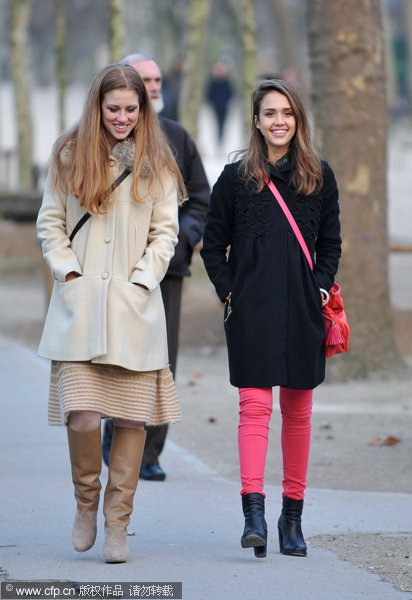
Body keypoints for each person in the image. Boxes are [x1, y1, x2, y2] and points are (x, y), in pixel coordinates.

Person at [36, 64, 184, 563]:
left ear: (142, 110)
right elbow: (50, 222)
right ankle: (86, 501)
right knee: (81, 415)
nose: (122, 117)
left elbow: (167, 233)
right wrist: (69, 274)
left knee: (131, 420)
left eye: (130, 109)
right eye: (113, 108)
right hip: (80, 308)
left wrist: (144, 279)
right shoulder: (69, 156)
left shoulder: (158, 162)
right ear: (97, 107)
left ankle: (118, 523)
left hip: (134, 307)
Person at [201, 79, 341, 558]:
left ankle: (293, 517)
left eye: (287, 112)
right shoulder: (235, 179)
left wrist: (319, 287)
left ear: (297, 119)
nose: (278, 121)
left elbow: (331, 244)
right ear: (256, 121)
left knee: (298, 414)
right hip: (252, 311)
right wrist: (230, 291)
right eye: (269, 113)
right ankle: (254, 513)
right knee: (255, 409)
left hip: (303, 310)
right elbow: (211, 243)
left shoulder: (318, 176)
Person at [101, 53, 210, 481]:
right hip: (115, 271)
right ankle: (114, 436)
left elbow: (200, 196)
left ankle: (150, 452)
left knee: (162, 360)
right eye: (144, 79)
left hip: (168, 270)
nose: (153, 85)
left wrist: (183, 241)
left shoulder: (176, 137)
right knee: (114, 353)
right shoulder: (99, 139)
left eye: (157, 79)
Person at [206, 61, 233, 145]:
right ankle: (218, 139)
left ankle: (221, 139)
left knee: (223, 123)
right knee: (217, 123)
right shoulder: (213, 81)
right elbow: (209, 94)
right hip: (216, 106)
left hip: (224, 106)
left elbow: (230, 93)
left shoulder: (227, 81)